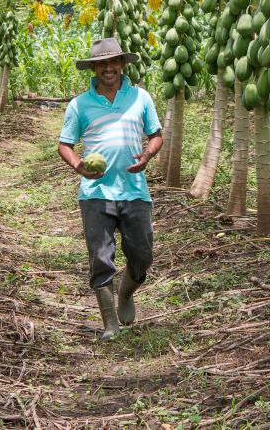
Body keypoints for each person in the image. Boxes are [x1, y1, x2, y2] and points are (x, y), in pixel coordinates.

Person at [58, 38, 163, 340]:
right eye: (101, 64)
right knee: (100, 258)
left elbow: (155, 135)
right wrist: (78, 165)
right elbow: (65, 144)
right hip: (95, 193)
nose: (108, 68)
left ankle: (127, 293)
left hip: (134, 190)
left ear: (122, 65)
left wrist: (147, 155)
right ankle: (110, 324)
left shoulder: (140, 98)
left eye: (113, 62)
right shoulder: (79, 105)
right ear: (93, 68)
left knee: (142, 255)